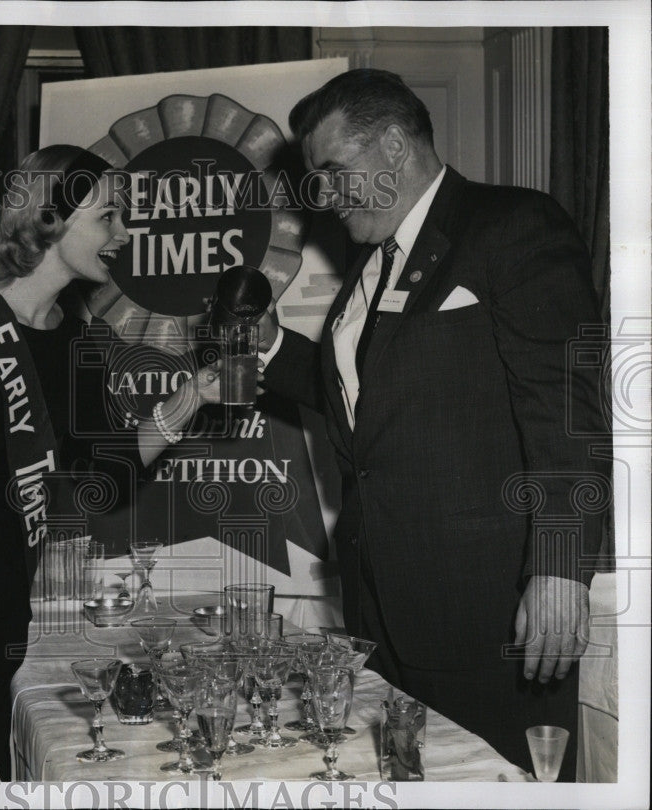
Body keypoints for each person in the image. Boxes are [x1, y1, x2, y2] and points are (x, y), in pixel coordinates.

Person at [259, 69, 608, 778]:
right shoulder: (368, 262)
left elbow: (566, 407)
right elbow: (371, 404)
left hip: (489, 614)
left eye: (332, 171)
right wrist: (267, 346)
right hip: (379, 610)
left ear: (393, 145)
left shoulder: (511, 226)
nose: (321, 195)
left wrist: (559, 568)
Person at [0, 144, 220, 780]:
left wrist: (185, 404)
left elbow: (107, 475)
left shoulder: (76, 339)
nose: (123, 234)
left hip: (7, 579)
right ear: (50, 218)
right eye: (109, 217)